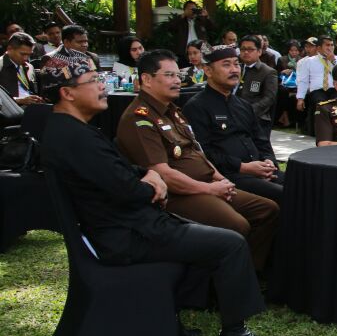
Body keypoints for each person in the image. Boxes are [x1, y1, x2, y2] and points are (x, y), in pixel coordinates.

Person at [38, 58, 287, 336]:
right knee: (230, 242)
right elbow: (128, 190)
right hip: (128, 234)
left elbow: (117, 171)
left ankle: (178, 317)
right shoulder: (76, 137)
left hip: (127, 225)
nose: (103, 87)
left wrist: (147, 175)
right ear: (68, 93)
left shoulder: (70, 130)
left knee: (238, 224)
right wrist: (152, 182)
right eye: (94, 81)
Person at [115, 50, 279, 273]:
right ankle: (227, 282)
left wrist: (221, 180)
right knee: (237, 224)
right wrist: (211, 189)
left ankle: (250, 272)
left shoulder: (174, 112)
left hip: (208, 183)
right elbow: (163, 173)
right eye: (169, 75)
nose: (177, 81)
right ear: (146, 79)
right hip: (178, 194)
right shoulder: (140, 117)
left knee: (267, 209)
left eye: (177, 75)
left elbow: (198, 153)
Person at [184, 46, 284, 204]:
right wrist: (243, 167)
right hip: (229, 175)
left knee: (304, 184)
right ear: (208, 71)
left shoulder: (243, 105)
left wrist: (269, 162)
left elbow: (261, 140)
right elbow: (204, 152)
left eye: (236, 64)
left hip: (260, 170)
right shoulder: (196, 107)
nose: (234, 70)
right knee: (285, 194)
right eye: (226, 65)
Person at [236, 35, 278, 140]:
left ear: (259, 51)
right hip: (234, 113)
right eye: (243, 49)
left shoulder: (268, 72)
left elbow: (269, 98)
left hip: (257, 117)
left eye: (250, 49)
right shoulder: (236, 69)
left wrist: (248, 111)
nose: (246, 52)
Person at [295, 35, 337, 133]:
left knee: (336, 102)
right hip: (317, 91)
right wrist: (300, 98)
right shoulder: (309, 61)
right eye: (327, 45)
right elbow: (303, 81)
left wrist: (333, 62)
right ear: (319, 48)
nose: (330, 48)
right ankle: (320, 131)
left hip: (334, 89)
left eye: (332, 45)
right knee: (320, 102)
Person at [0, 32, 45, 106]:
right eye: (23, 54)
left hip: (32, 109)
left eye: (29, 54)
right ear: (9, 49)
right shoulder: (1, 65)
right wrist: (19, 100)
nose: (26, 58)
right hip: (10, 112)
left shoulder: (29, 67)